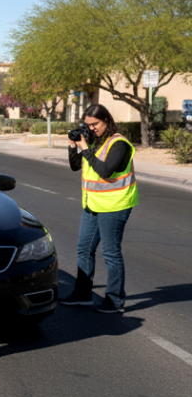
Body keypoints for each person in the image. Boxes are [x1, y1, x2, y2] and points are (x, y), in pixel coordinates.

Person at [61, 104, 136, 314]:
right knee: (84, 249)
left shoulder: (119, 144)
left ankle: (115, 300)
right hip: (92, 203)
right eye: (88, 125)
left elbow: (104, 171)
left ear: (106, 120)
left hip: (115, 205)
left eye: (95, 124)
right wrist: (73, 146)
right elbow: (75, 166)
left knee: (111, 253)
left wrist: (86, 149)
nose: (91, 128)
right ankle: (82, 294)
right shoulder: (95, 142)